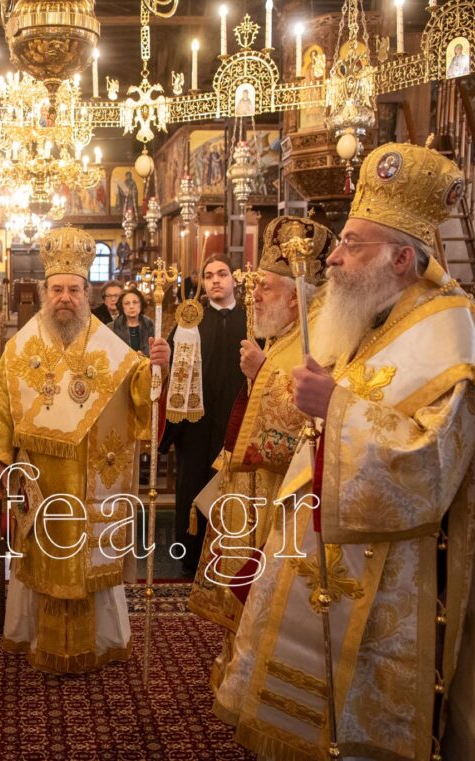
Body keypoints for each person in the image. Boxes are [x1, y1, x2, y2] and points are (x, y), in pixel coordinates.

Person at [215, 142, 475, 759]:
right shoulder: (377, 313)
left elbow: (431, 467)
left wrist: (337, 408)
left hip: (394, 577)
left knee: (360, 727)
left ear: (401, 257)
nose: (334, 256)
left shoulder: (452, 331)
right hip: (319, 544)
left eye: (352, 243)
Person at [0, 227, 171, 674]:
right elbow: (0, 407)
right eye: (56, 288)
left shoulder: (108, 345)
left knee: (90, 560)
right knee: (39, 557)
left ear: (87, 292)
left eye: (74, 289)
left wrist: (158, 366)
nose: (65, 297)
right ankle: (30, 636)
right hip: (39, 478)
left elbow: (139, 390)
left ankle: (103, 642)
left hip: (92, 476)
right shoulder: (21, 348)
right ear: (44, 291)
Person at [187, 215, 335, 693]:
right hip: (251, 491)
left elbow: (308, 424)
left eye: (265, 288)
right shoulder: (283, 336)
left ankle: (258, 683)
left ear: (296, 295)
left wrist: (263, 371)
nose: (255, 296)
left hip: (281, 498)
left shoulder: (319, 343)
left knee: (268, 597)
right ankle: (239, 670)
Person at [160, 254, 246, 575]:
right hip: (196, 425)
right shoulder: (190, 319)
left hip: (236, 423)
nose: (214, 281)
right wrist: (165, 360)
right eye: (208, 276)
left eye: (221, 274)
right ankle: (192, 558)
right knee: (194, 486)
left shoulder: (251, 320)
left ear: (233, 278)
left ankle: (232, 557)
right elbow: (170, 370)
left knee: (233, 486)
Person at [110, 287, 155, 356]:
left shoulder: (151, 326)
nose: (131, 306)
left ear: (141, 304)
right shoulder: (111, 328)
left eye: (135, 302)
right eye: (127, 303)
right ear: (122, 306)